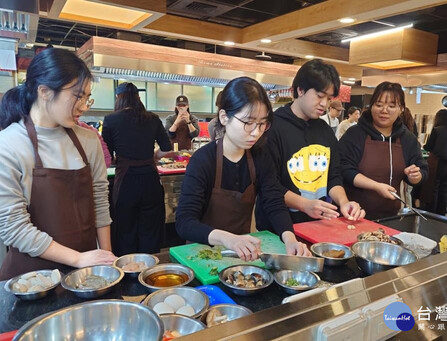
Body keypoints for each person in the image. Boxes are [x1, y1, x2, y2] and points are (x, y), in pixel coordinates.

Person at [0, 48, 116, 280]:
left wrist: (106, 257)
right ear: (44, 91)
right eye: (77, 96)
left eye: (86, 97)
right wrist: (78, 259)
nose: (84, 106)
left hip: (85, 273)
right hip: (31, 279)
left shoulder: (88, 139)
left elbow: (99, 202)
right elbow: (14, 227)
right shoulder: (9, 144)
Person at [176, 77, 310, 260]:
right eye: (248, 123)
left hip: (242, 255)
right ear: (224, 117)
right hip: (201, 255)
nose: (256, 132)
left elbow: (274, 202)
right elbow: (185, 222)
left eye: (262, 123)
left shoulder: (261, 157)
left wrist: (289, 237)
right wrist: (227, 239)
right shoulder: (203, 160)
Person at [255, 59, 365, 229]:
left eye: (328, 99)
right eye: (320, 96)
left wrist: (344, 202)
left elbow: (333, 176)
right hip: (277, 227)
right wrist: (304, 204)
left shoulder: (325, 131)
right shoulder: (273, 127)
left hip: (317, 226)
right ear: (300, 90)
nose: (324, 104)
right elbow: (269, 185)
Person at [338, 82, 427, 220]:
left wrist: (416, 176)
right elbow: (344, 169)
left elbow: (422, 169)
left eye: (391, 106)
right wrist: (376, 186)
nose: (384, 110)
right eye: (379, 105)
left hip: (390, 217)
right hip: (352, 215)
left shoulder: (407, 139)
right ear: (371, 106)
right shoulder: (355, 134)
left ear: (401, 108)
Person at [102, 83, 171, 256]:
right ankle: (149, 269)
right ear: (138, 98)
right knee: (150, 228)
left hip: (126, 182)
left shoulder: (111, 119)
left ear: (119, 98)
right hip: (150, 180)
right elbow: (166, 147)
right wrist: (154, 156)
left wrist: (120, 159)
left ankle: (129, 273)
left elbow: (107, 157)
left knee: (126, 229)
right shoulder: (153, 118)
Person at [422, 109, 447, 216]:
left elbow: (428, 147)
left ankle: (432, 214)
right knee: (444, 190)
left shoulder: (437, 130)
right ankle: (441, 214)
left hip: (438, 163)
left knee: (434, 189)